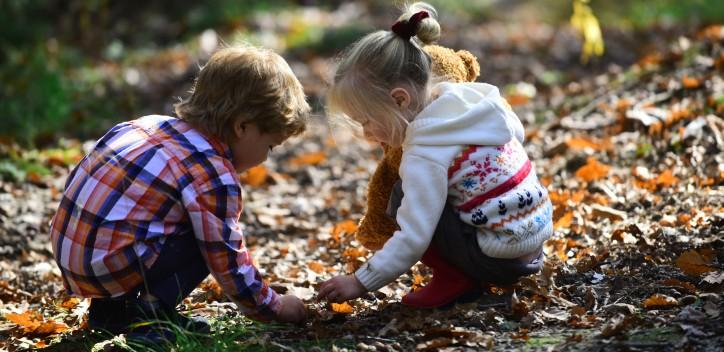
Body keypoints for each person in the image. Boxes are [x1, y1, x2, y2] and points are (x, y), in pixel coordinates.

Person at [49, 45, 310, 341]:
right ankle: (149, 318)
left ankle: (111, 312)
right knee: (207, 237)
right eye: (270, 146)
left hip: (72, 257)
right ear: (242, 126)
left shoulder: (146, 124)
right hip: (111, 266)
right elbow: (227, 258)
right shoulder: (213, 174)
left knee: (152, 215)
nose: (265, 158)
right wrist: (272, 307)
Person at [318, 2, 553, 308]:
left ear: (399, 100)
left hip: (499, 262)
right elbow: (516, 136)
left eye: (366, 120)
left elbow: (414, 237)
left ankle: (456, 279)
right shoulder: (474, 100)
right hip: (535, 245)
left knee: (403, 193)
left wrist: (360, 281)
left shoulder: (425, 153)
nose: (365, 133)